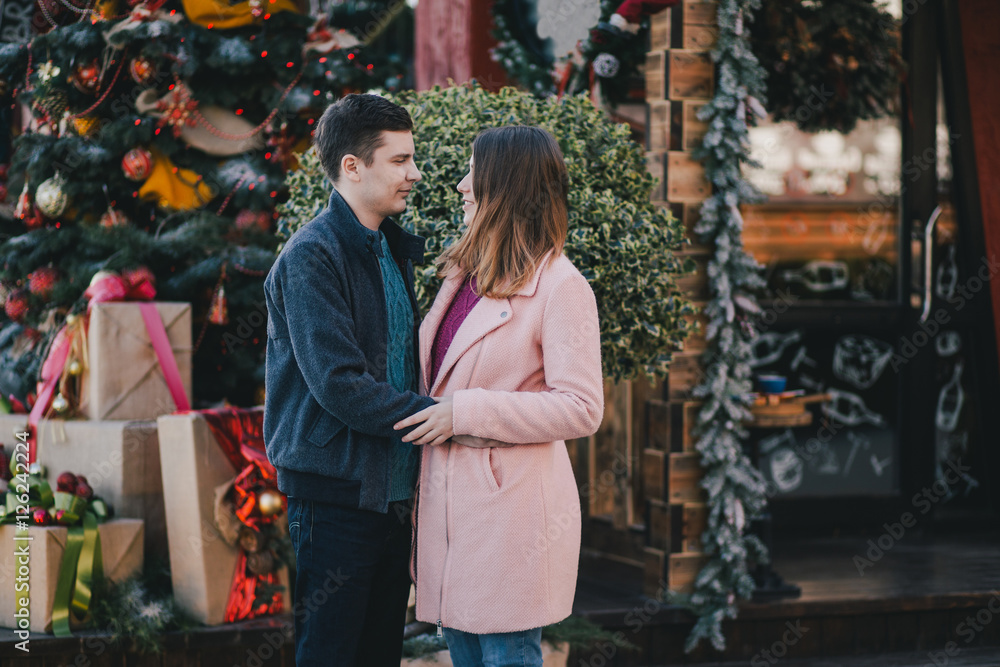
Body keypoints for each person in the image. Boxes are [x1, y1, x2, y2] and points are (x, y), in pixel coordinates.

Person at [394, 126, 605, 667]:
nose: (461, 186)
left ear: (507, 186)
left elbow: (582, 407)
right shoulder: (463, 275)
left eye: (474, 173)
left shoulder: (561, 287)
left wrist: (466, 412)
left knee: (507, 654)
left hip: (511, 521)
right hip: (449, 511)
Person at [263, 93, 434, 666]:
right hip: (335, 497)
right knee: (331, 654)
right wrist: (439, 417)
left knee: (379, 654)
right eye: (400, 160)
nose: (415, 173)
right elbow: (340, 383)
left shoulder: (387, 246)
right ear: (352, 167)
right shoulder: (311, 256)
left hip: (393, 495)